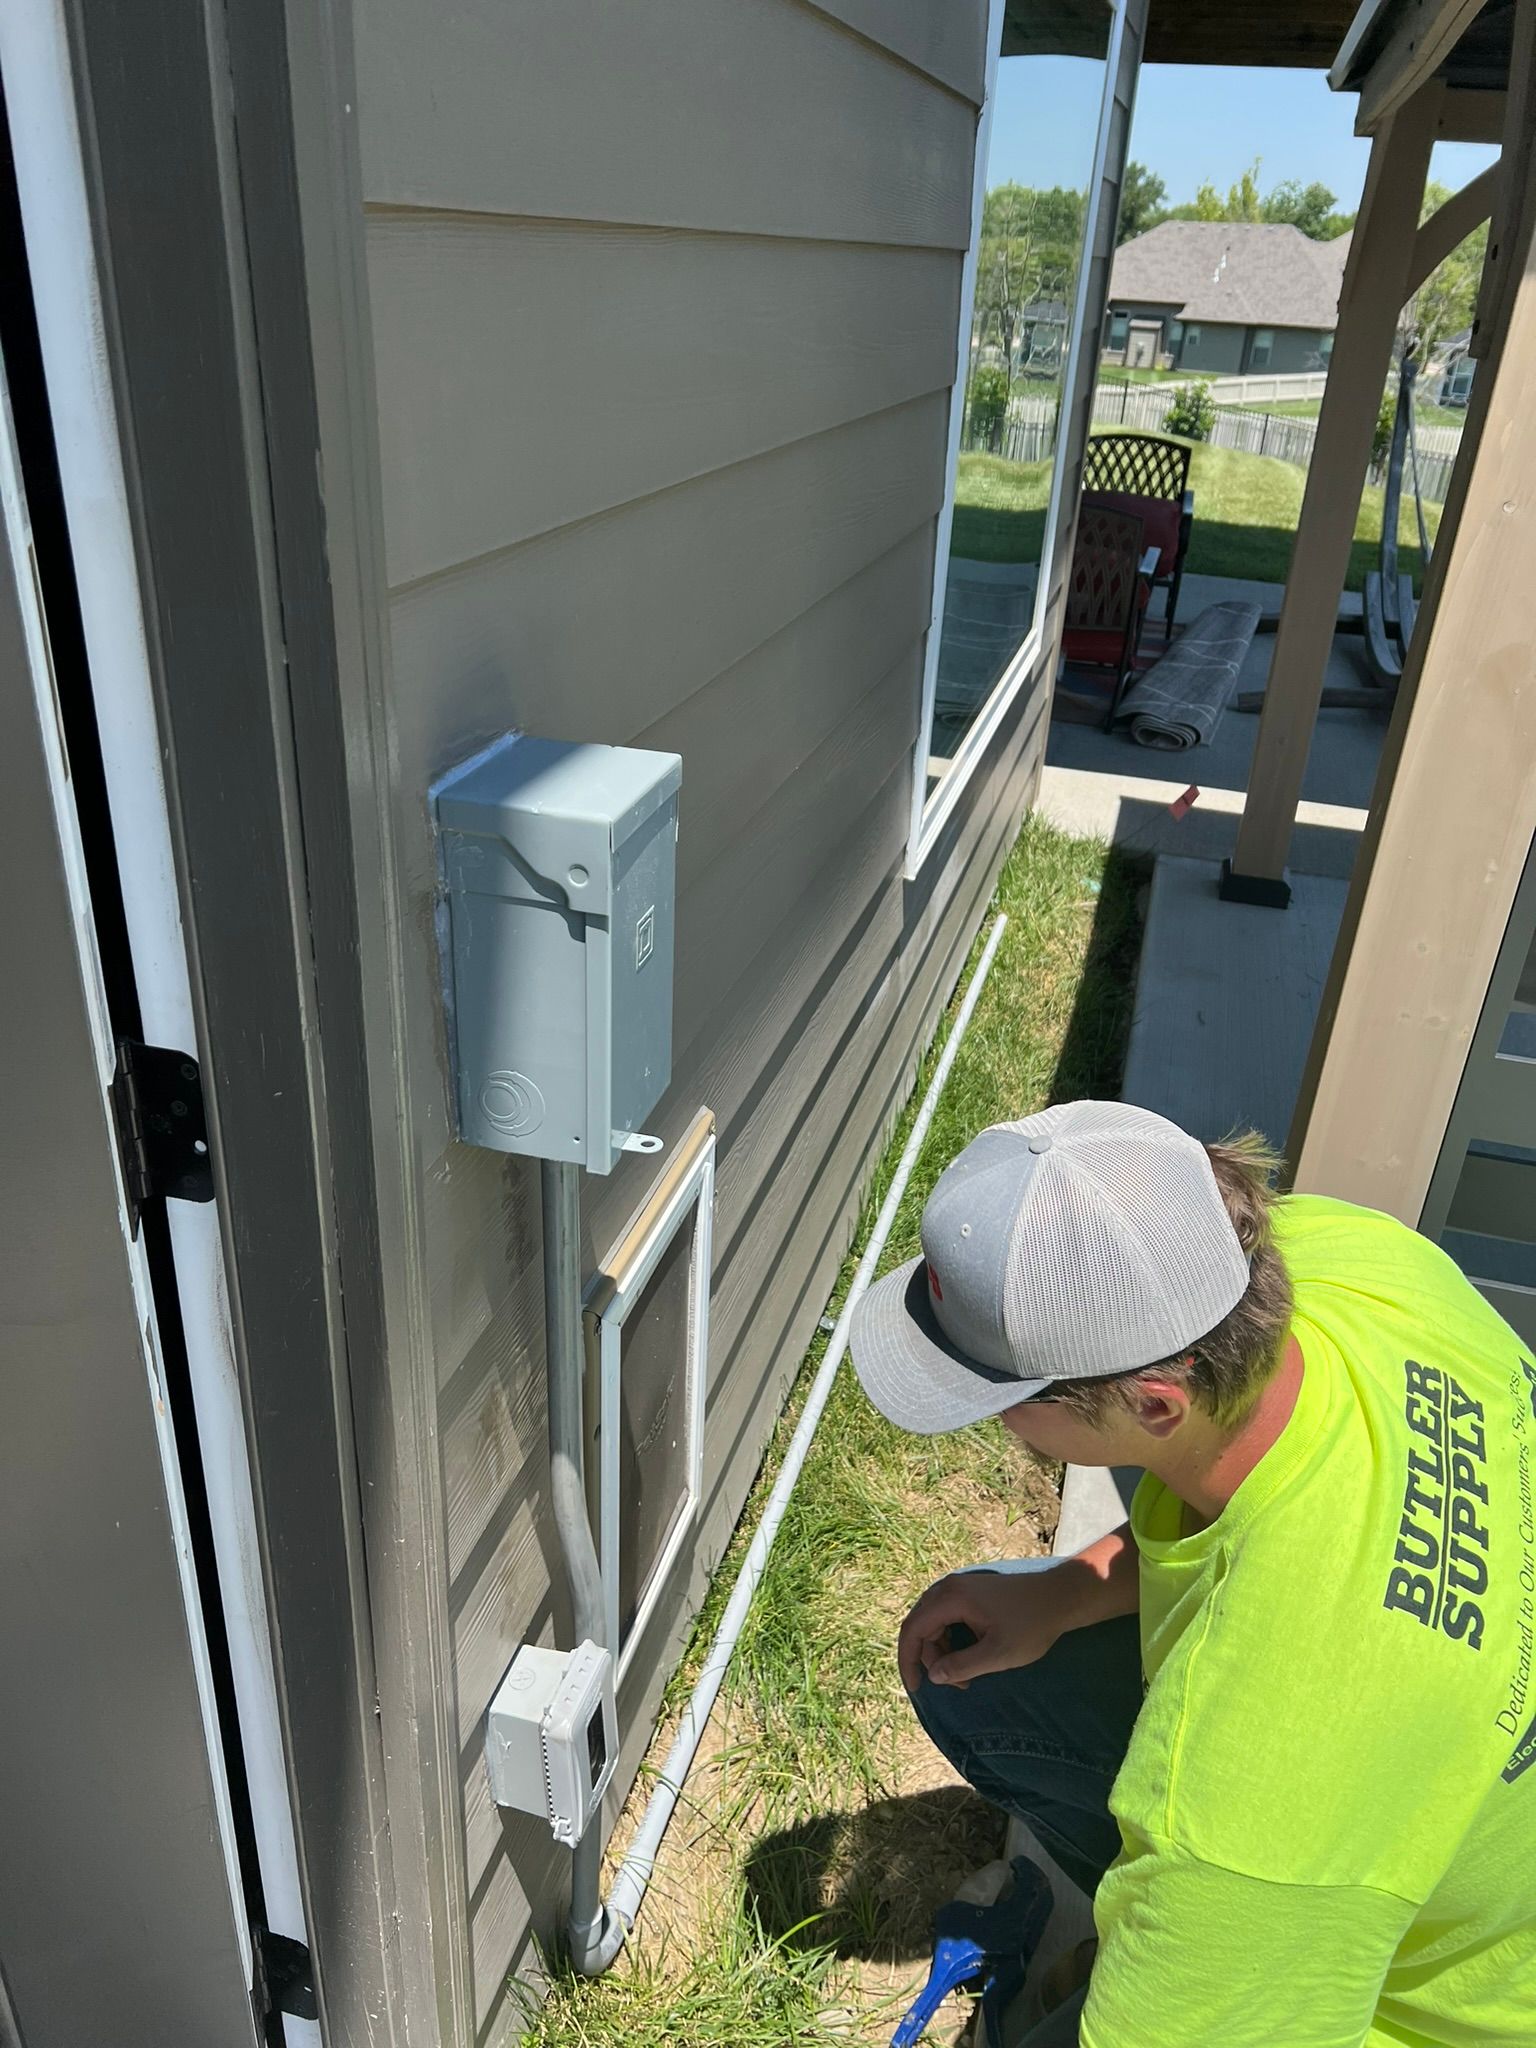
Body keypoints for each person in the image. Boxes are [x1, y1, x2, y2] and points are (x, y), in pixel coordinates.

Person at [849, 1099, 1536, 2048]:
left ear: (1156, 1404)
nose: (1000, 1424)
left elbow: (1266, 1798)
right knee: (983, 1686)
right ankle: (1191, 1959)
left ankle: (1197, 1972)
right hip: (1463, 1845)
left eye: (1005, 1401)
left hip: (1439, 2004)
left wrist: (1182, 1978)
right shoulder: (1364, 1262)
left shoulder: (1254, 1786)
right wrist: (1070, 1588)